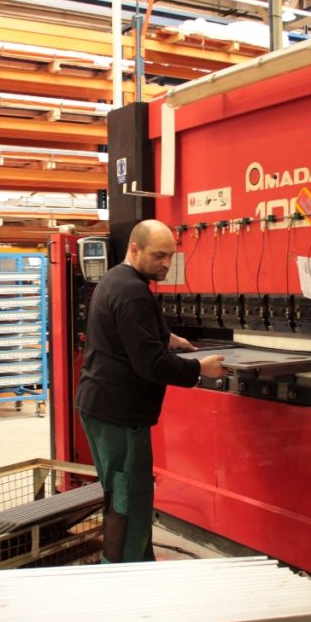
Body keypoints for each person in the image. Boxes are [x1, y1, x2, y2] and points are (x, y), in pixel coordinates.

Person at [75, 219, 226, 563]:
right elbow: (152, 366)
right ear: (135, 249)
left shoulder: (115, 279)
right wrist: (200, 369)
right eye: (159, 255)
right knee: (130, 498)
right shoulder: (134, 292)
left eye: (170, 256)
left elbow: (124, 330)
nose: (166, 264)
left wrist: (166, 337)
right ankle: (126, 574)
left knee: (121, 493)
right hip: (120, 414)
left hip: (99, 406)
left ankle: (138, 564)